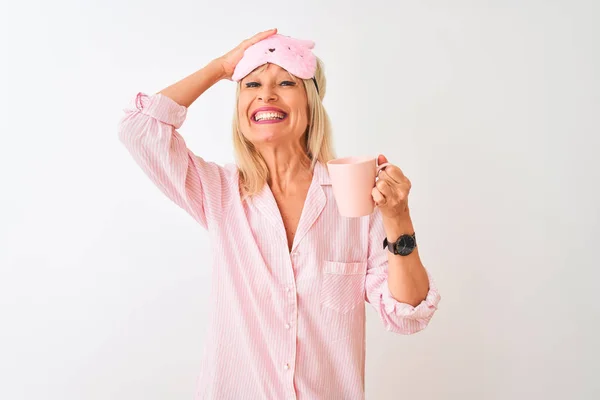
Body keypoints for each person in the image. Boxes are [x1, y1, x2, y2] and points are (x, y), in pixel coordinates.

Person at [118, 28, 441, 400]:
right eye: (251, 84)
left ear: (312, 102)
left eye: (285, 81)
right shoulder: (220, 192)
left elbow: (408, 314)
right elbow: (139, 129)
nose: (266, 94)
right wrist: (220, 68)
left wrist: (398, 216)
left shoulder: (354, 197)